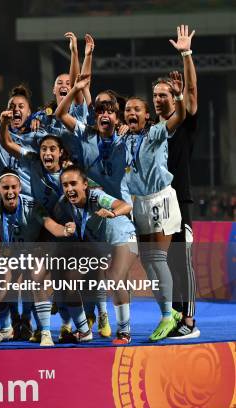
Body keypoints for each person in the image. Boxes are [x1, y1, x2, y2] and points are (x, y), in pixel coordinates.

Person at [0, 167, 82, 346]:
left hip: (35, 254)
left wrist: (65, 230)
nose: (10, 192)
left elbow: (50, 225)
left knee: (37, 278)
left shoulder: (33, 205)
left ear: (19, 188)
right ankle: (6, 330)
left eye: (13, 188)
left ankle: (46, 333)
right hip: (10, 258)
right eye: (5, 188)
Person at [123, 70, 186, 341]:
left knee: (158, 258)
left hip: (161, 199)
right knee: (148, 263)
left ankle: (167, 315)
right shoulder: (124, 138)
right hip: (140, 204)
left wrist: (180, 95)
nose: (131, 112)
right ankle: (168, 313)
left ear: (147, 115)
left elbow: (180, 116)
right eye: (128, 109)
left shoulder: (157, 133)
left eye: (137, 109)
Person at [53, 165, 138, 344]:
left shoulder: (97, 197)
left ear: (85, 185)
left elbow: (126, 206)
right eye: (65, 185)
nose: (69, 189)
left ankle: (124, 332)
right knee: (67, 279)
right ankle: (84, 331)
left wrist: (112, 213)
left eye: (73, 184)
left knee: (114, 277)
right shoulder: (63, 203)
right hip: (99, 246)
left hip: (123, 237)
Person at [162, 25, 200, 339]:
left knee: (182, 261)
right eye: (158, 97)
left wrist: (186, 54)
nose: (162, 100)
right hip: (159, 207)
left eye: (167, 96)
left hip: (181, 201)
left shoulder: (185, 127)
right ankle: (174, 318)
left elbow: (192, 95)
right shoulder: (155, 133)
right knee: (168, 266)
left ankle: (189, 321)